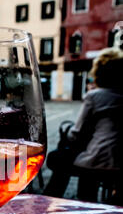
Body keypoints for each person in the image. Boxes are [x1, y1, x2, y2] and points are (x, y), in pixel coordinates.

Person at [44, 48, 123, 203]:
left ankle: (50, 199)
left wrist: (66, 133)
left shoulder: (95, 96)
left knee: (58, 159)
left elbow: (76, 134)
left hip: (97, 159)